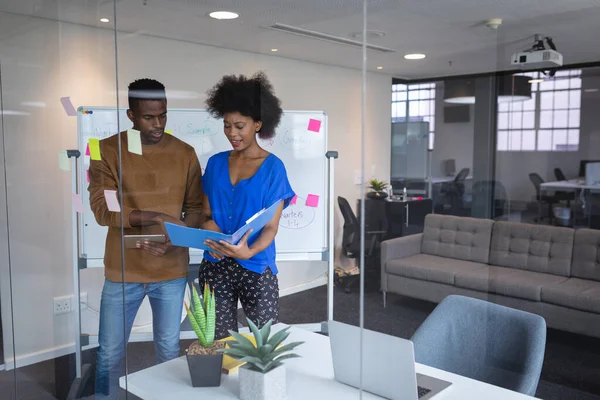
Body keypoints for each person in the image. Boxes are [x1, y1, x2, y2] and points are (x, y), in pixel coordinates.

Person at [88, 78, 203, 397]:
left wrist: (177, 236)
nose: (157, 124)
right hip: (124, 271)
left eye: (163, 115)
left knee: (167, 352)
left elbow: (194, 206)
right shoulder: (107, 150)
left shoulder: (185, 152)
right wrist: (156, 217)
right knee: (109, 354)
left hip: (170, 271)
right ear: (130, 115)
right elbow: (103, 209)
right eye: (149, 117)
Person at [200, 72, 295, 339]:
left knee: (263, 342)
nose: (232, 133)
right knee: (218, 340)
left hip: (256, 264)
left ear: (257, 124)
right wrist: (214, 234)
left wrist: (247, 251)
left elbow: (271, 227)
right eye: (227, 125)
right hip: (216, 263)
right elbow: (205, 213)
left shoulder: (274, 168)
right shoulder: (216, 163)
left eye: (239, 125)